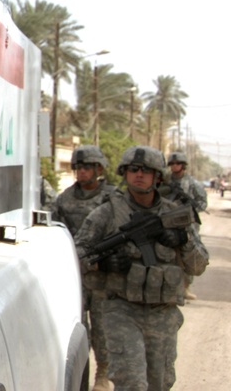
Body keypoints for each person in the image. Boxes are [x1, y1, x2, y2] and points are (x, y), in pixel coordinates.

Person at [74, 146, 208, 391]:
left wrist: (183, 242)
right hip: (121, 309)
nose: (139, 174)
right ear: (124, 174)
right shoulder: (107, 213)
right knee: (132, 383)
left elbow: (199, 266)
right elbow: (76, 255)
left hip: (163, 313)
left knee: (160, 383)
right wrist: (101, 263)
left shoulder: (173, 215)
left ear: (158, 176)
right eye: (133, 169)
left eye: (146, 170)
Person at [50, 145, 116, 390]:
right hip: (75, 274)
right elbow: (54, 231)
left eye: (86, 167)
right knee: (78, 330)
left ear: (98, 169)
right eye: (77, 167)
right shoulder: (65, 199)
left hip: (102, 276)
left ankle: (103, 373)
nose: (81, 172)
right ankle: (82, 376)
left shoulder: (112, 199)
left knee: (102, 330)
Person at [161, 151, 208, 300]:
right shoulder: (165, 181)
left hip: (187, 224)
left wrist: (189, 208)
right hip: (167, 221)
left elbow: (202, 202)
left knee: (188, 254)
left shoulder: (193, 183)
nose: (175, 166)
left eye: (178, 163)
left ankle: (186, 287)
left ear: (183, 165)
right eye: (172, 164)